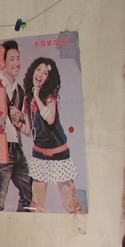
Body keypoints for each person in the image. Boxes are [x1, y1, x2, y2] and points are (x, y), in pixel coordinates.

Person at [22, 57, 84, 214]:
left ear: (49, 78)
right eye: (38, 70)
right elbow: (29, 131)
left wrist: (37, 97)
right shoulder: (27, 100)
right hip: (39, 155)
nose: (40, 74)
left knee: (71, 204)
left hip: (58, 154)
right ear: (32, 71)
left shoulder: (49, 97)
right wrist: (17, 122)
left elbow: (50, 119)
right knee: (36, 205)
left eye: (45, 73)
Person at [0, 40, 33, 211]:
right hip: (0, 148)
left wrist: (20, 116)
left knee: (29, 195)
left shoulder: (19, 90)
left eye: (18, 58)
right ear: (2, 62)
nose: (17, 63)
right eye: (11, 59)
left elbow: (26, 126)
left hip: (17, 148)